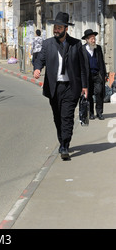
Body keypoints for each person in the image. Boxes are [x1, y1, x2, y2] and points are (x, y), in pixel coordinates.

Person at [34, 12, 88, 161]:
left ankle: (65, 145)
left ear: (66, 29)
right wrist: (37, 68)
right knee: (57, 117)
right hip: (54, 87)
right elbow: (40, 59)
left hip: (71, 86)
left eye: (59, 28)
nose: (56, 30)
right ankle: (62, 140)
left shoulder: (76, 44)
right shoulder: (48, 44)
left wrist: (85, 86)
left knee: (67, 116)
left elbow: (82, 67)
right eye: (55, 27)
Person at [81, 29, 107, 120]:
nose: (93, 40)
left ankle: (99, 112)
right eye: (91, 38)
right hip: (87, 76)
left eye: (94, 38)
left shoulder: (98, 48)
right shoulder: (82, 49)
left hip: (97, 75)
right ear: (87, 40)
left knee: (99, 93)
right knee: (89, 95)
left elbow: (102, 62)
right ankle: (91, 113)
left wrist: (104, 74)